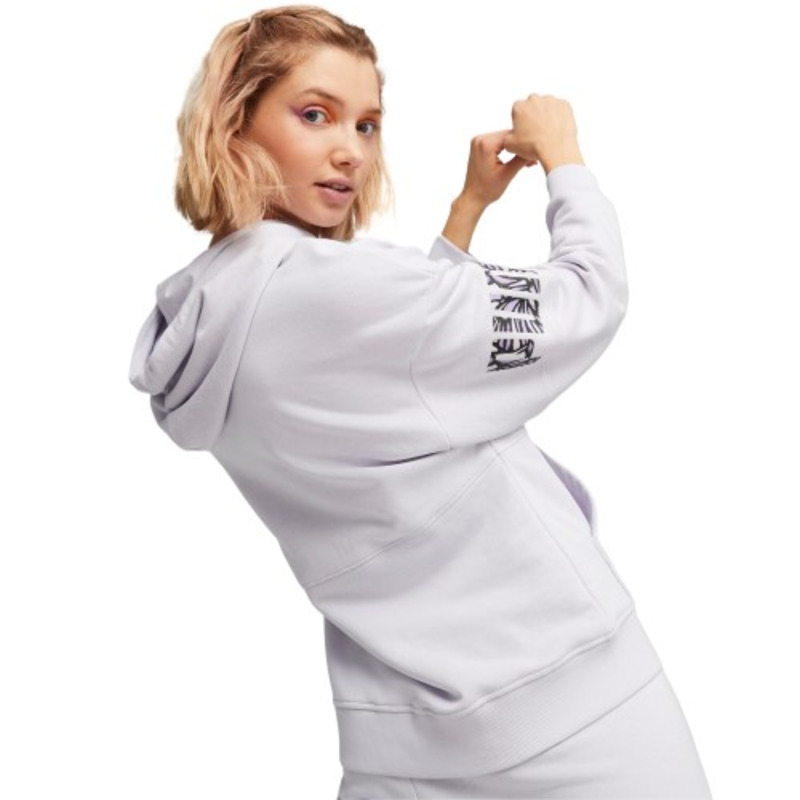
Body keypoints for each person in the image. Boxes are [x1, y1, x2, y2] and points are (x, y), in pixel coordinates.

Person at [128, 5, 713, 798]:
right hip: (572, 703)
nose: (351, 150)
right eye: (314, 114)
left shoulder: (212, 318)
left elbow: (404, 371)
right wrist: (564, 157)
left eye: (367, 125)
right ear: (233, 122)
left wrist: (467, 211)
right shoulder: (330, 290)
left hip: (400, 740)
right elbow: (587, 299)